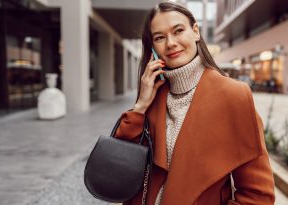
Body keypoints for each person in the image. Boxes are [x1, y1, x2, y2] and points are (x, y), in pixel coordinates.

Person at [115, 2, 275, 205]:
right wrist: (140, 107)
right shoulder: (153, 94)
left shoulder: (233, 95)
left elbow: (257, 194)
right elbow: (122, 162)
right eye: (160, 37)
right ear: (153, 47)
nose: (171, 43)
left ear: (196, 32)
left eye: (178, 30)